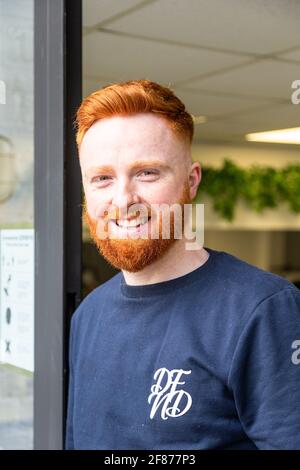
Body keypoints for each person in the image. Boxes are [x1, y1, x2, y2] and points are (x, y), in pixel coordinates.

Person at [66, 79, 300, 450]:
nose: (124, 200)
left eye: (147, 172)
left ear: (191, 182)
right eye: (102, 179)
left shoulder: (262, 310)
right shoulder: (88, 316)